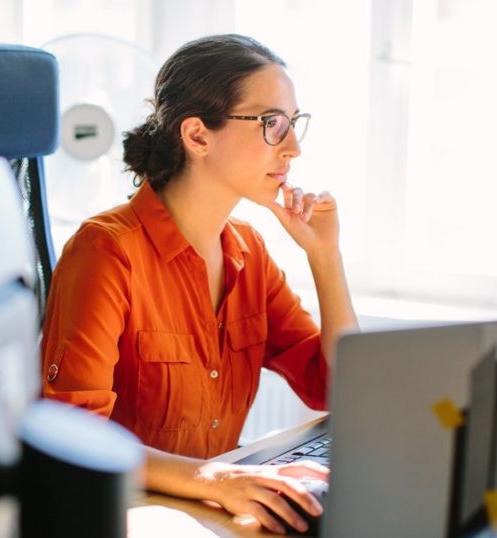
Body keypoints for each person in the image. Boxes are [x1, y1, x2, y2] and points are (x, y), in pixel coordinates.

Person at [41, 34, 359, 535]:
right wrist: (212, 476)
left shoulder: (248, 252)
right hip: (124, 517)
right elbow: (75, 438)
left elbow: (339, 388)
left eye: (294, 124)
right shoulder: (106, 252)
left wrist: (325, 257)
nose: (293, 148)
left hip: (207, 514)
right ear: (197, 136)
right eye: (272, 124)